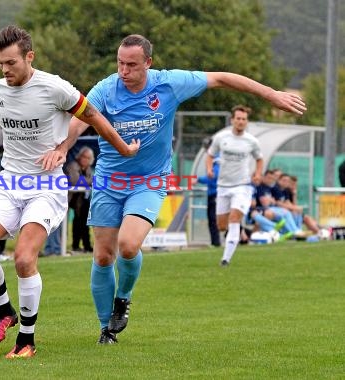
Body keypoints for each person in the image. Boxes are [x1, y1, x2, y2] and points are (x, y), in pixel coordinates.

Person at [47, 34, 306, 344]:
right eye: (120, 63)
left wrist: (271, 94)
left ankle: (123, 298)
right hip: (109, 180)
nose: (124, 71)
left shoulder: (169, 83)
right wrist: (64, 147)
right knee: (103, 256)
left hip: (150, 180)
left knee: (128, 246)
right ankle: (106, 329)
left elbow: (221, 78)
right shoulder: (106, 88)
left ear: (148, 64)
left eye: (132, 65)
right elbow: (80, 120)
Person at [0, 25, 139, 358]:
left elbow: (94, 117)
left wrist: (122, 148)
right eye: (0, 63)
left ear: (30, 56)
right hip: (10, 181)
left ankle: (27, 339)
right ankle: (4, 311)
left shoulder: (56, 88)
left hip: (47, 186)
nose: (5, 69)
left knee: (25, 259)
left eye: (11, 62)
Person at [207, 105, 264, 264]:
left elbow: (259, 159)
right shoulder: (221, 138)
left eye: (243, 119)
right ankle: (232, 238)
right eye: (238, 118)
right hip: (223, 185)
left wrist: (258, 174)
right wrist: (209, 169)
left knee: (234, 217)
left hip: (242, 185)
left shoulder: (252, 141)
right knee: (221, 226)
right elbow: (210, 155)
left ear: (247, 122)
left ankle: (226, 259)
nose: (240, 122)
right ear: (232, 120)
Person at [66, 146, 95, 253]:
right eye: (83, 156)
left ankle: (86, 246)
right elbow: (75, 181)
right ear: (79, 156)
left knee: (83, 222)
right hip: (69, 198)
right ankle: (75, 246)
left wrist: (87, 180)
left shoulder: (88, 169)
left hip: (82, 199)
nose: (85, 159)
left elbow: (90, 181)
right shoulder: (73, 165)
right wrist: (89, 180)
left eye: (88, 158)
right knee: (76, 222)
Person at [197, 138, 221, 247]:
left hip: (216, 193)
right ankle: (215, 242)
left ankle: (216, 242)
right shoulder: (213, 159)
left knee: (213, 219)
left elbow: (213, 177)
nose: (207, 151)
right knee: (214, 219)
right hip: (213, 193)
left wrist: (198, 180)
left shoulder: (216, 159)